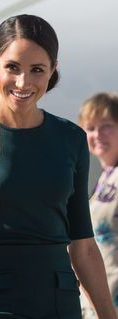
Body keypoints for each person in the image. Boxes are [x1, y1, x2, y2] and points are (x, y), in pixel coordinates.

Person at [0, 14, 117, 318]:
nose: (23, 82)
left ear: (53, 70)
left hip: (58, 303)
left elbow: (82, 246)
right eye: (13, 67)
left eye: (37, 70)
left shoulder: (70, 138)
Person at [79, 92, 118, 317]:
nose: (97, 134)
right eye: (90, 128)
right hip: (98, 304)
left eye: (106, 126)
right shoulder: (105, 178)